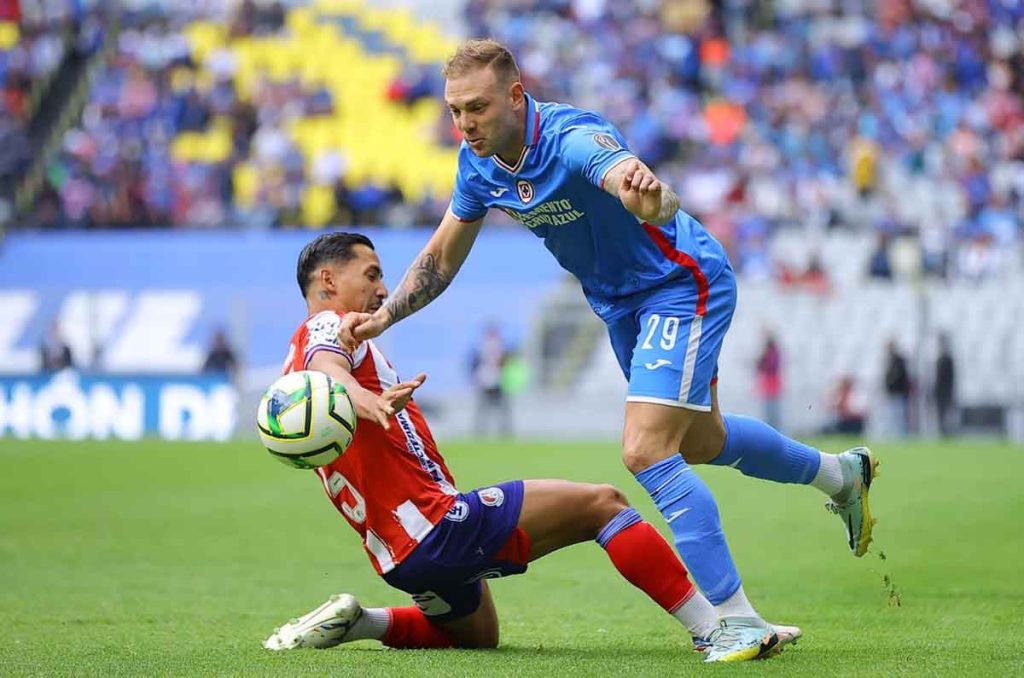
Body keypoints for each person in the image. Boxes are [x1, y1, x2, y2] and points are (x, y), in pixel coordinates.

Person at [340, 39, 876, 659]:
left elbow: (636, 184)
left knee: (646, 450)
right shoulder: (478, 163)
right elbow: (440, 257)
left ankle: (738, 620)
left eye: (477, 108)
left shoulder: (569, 136)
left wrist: (645, 193)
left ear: (516, 96)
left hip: (679, 285)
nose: (465, 123)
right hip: (621, 306)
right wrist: (384, 316)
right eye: (456, 110)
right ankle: (842, 476)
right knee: (702, 442)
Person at [263, 233, 801, 661]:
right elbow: (330, 371)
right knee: (603, 505)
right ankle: (715, 631)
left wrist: (357, 398)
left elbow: (321, 378)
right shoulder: (329, 327)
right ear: (328, 280)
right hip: (434, 525)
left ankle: (362, 622)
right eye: (373, 275)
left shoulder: (293, 379)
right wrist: (365, 399)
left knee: (476, 638)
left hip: (398, 556)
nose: (383, 291)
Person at [469, 323, 512, 437]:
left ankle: (494, 430)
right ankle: (485, 430)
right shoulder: (492, 347)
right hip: (489, 379)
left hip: (493, 379)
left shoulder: (485, 347)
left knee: (495, 408)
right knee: (488, 407)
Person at [755, 331, 782, 430]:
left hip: (772, 387)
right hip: (768, 386)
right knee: (770, 413)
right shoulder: (771, 354)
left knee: (773, 413)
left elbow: (771, 367)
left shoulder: (773, 354)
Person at [883, 340, 911, 437]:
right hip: (892, 392)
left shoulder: (898, 360)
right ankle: (895, 434)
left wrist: (890, 383)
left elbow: (899, 376)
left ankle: (901, 434)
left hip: (898, 392)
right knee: (893, 415)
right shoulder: (890, 360)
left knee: (899, 414)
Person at [934, 334, 956, 437]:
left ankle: (948, 432)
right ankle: (941, 432)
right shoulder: (938, 359)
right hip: (939, 392)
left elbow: (951, 377)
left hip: (946, 391)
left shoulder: (948, 359)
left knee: (947, 413)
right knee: (940, 413)